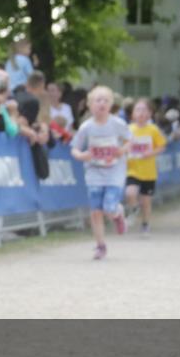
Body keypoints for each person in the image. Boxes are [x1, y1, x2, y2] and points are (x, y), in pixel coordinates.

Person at [71, 86, 131, 260]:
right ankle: (100, 246)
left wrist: (121, 150)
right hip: (94, 173)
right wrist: (82, 155)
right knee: (96, 211)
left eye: (106, 100)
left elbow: (129, 141)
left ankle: (117, 213)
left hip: (114, 172)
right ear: (90, 105)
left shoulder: (117, 124)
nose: (102, 103)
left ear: (111, 104)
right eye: (98, 100)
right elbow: (74, 149)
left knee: (109, 208)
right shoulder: (86, 127)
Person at [124, 98, 167, 235]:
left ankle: (145, 224)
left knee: (146, 202)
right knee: (130, 192)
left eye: (144, 110)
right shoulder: (128, 129)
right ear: (133, 114)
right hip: (132, 169)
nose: (141, 113)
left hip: (148, 172)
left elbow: (162, 146)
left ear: (150, 113)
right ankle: (133, 209)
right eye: (138, 109)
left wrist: (151, 152)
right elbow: (122, 145)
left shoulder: (153, 130)